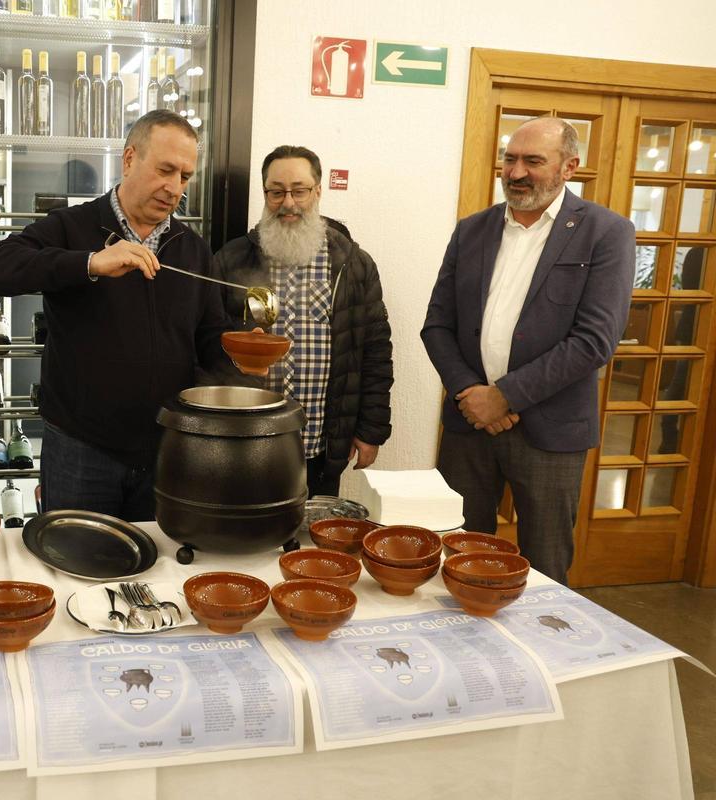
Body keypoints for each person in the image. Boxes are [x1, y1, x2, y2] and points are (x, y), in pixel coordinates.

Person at [0, 110, 251, 522]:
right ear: (128, 159)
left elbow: (209, 335)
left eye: (185, 177)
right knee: (75, 568)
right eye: (165, 170)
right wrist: (89, 263)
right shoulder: (73, 226)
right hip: (81, 449)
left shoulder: (192, 249)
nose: (174, 188)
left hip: (166, 448)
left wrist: (240, 356)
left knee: (156, 574)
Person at [422, 116, 635, 583]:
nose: (516, 173)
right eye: (510, 159)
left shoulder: (605, 232)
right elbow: (437, 325)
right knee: (455, 557)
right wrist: (471, 394)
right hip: (468, 424)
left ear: (569, 167)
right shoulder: (471, 231)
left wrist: (504, 396)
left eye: (533, 161)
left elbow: (594, 340)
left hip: (552, 432)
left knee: (545, 568)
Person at [214, 145, 393, 498]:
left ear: (318, 191)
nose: (288, 202)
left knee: (313, 544)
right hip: (247, 437)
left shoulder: (353, 264)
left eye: (299, 190)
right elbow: (206, 340)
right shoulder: (233, 258)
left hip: (321, 444)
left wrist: (372, 430)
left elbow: (374, 349)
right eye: (276, 191)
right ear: (265, 193)